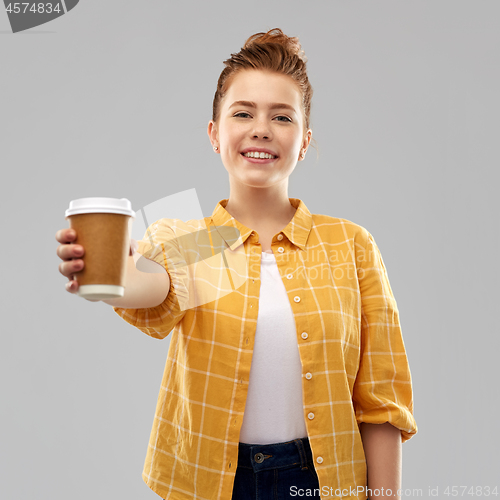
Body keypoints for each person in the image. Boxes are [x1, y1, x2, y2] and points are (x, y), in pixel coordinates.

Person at [56, 28, 417, 500]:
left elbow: (381, 402)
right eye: (242, 113)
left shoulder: (350, 245)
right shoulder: (198, 242)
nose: (261, 128)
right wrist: (105, 273)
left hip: (323, 481)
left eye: (281, 117)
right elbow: (153, 285)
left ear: (304, 140)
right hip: (211, 481)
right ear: (214, 133)